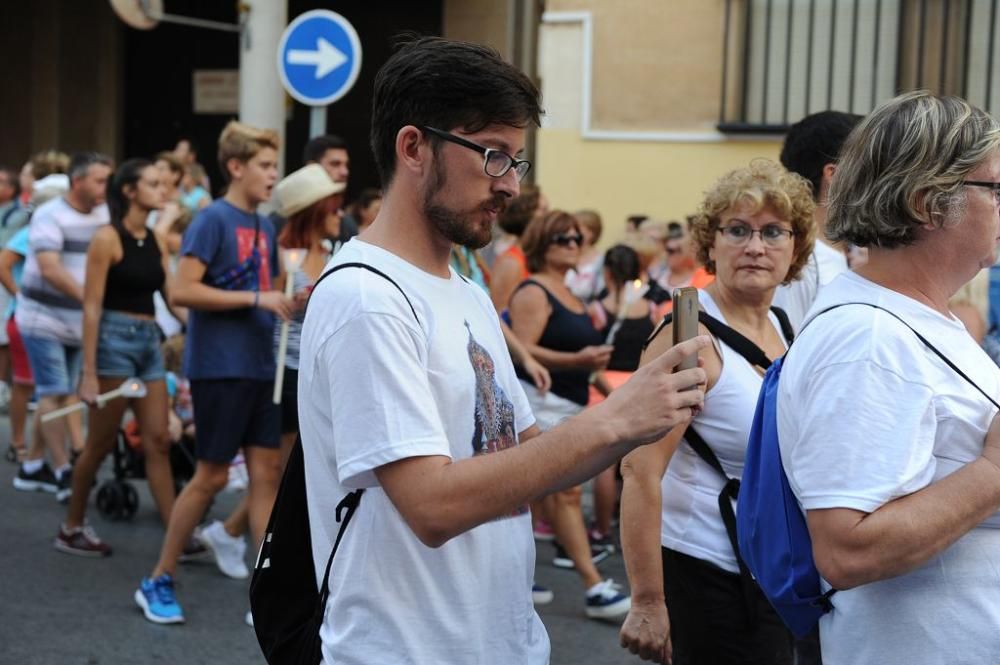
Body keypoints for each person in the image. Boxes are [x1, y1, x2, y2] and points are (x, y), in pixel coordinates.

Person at [296, 36, 708, 664]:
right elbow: (430, 505)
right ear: (414, 147)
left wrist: (640, 409)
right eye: (493, 157)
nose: (511, 186)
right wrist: (613, 418)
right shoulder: (366, 296)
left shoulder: (463, 288)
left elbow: (521, 458)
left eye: (518, 162)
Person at [778, 91, 1000, 665]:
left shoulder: (913, 316)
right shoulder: (868, 340)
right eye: (996, 189)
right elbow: (846, 549)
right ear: (929, 202)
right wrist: (994, 471)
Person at [619, 159, 815, 665]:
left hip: (772, 566)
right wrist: (646, 601)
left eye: (773, 231)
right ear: (711, 243)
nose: (755, 246)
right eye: (738, 230)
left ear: (795, 248)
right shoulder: (689, 335)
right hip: (704, 569)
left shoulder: (784, 324)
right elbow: (640, 469)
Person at [134, 121, 293, 625]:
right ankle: (158, 578)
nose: (273, 175)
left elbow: (265, 294)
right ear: (236, 167)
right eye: (265, 166)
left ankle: (265, 589)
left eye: (274, 165)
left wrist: (289, 301)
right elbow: (182, 291)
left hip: (259, 366)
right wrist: (257, 298)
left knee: (267, 475)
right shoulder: (212, 220)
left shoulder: (265, 226)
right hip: (220, 366)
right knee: (212, 476)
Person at [509, 210, 628, 619]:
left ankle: (517, 578)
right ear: (542, 243)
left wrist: (611, 393)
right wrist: (576, 357)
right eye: (563, 238)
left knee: (539, 496)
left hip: (571, 403)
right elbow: (522, 349)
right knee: (564, 493)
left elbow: (588, 365)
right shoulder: (534, 291)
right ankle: (593, 586)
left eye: (577, 238)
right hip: (541, 402)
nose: (573, 244)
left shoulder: (571, 295)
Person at [56, 159, 176, 556]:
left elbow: (173, 299)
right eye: (154, 183)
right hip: (113, 341)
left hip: (147, 344)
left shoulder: (157, 239)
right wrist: (88, 374)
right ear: (129, 191)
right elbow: (91, 308)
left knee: (158, 439)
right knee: (101, 442)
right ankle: (72, 526)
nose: (163, 189)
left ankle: (178, 534)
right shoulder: (107, 238)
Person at [14, 152, 112, 502]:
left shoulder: (104, 213)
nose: (106, 187)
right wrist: (92, 300)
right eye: (99, 180)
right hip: (43, 319)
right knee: (55, 392)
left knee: (55, 394)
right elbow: (50, 268)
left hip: (79, 322)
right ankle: (61, 471)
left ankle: (31, 465)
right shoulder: (49, 214)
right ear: (77, 181)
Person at [772, 110, 862, 331]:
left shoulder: (855, 252)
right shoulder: (800, 262)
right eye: (866, 167)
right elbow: (788, 352)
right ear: (833, 174)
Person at [488, 185, 546, 312]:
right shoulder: (511, 262)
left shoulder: (534, 256)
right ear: (524, 214)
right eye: (543, 210)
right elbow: (499, 314)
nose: (549, 216)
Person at [566, 209, 605, 303]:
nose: (571, 233)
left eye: (577, 229)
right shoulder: (565, 256)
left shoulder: (601, 261)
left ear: (591, 233)